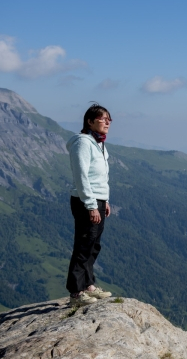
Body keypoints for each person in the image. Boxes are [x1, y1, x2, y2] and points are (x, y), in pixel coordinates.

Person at [65, 103, 113, 306]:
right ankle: (76, 292)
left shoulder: (99, 143)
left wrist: (105, 200)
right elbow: (81, 176)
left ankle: (89, 285)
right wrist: (91, 205)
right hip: (86, 201)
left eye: (109, 119)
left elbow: (101, 176)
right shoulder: (83, 143)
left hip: (98, 200)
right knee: (84, 245)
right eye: (103, 119)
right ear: (90, 121)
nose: (107, 122)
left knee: (94, 245)